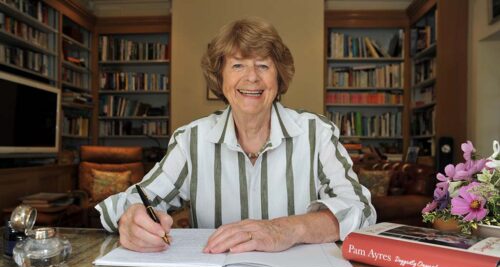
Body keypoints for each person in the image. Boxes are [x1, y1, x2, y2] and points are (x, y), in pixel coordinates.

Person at [96, 17, 376, 253]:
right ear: (220, 78)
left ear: (279, 79)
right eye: (238, 65)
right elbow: (135, 200)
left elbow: (361, 210)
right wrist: (130, 218)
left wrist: (286, 229)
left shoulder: (317, 133)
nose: (251, 77)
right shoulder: (192, 139)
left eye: (263, 65)